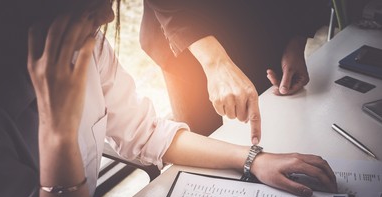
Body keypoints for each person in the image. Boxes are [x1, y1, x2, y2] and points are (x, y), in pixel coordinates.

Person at [0, 0, 336, 197]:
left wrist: (253, 159)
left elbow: (145, 132)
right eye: (90, 6)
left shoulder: (89, 46)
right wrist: (60, 135)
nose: (108, 17)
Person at [140, 0, 330, 139]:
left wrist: (296, 40)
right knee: (199, 137)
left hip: (266, 24)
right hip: (185, 38)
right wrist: (215, 62)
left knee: (273, 128)